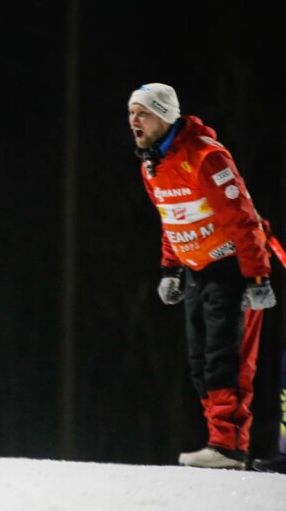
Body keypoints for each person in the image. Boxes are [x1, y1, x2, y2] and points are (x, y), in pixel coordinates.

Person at [128, 83, 276, 469]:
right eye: (131, 112)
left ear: (164, 115)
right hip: (197, 270)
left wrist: (257, 277)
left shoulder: (206, 156)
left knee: (225, 359)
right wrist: (171, 267)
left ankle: (229, 445)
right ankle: (220, 442)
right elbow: (172, 219)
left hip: (231, 267)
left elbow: (243, 217)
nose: (133, 120)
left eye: (142, 113)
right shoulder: (151, 165)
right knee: (199, 361)